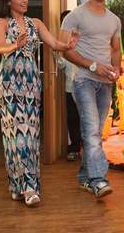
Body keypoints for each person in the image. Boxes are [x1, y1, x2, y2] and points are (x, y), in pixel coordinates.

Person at [0, 0, 78, 206]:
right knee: (13, 136)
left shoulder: (36, 23)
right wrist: (15, 44)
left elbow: (54, 44)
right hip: (10, 83)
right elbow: (0, 48)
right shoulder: (1, 23)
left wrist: (68, 45)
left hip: (31, 84)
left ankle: (30, 187)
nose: (24, 0)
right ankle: (17, 185)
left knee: (30, 136)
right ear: (8, 0)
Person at [60, 0, 122, 199]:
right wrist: (93, 65)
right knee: (91, 132)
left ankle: (85, 177)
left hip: (105, 83)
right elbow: (65, 51)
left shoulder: (114, 20)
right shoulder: (74, 16)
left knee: (94, 131)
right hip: (84, 80)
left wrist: (116, 68)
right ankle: (98, 180)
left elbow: (115, 49)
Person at [55, 10, 82, 161]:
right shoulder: (62, 43)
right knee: (72, 119)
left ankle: (89, 150)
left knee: (86, 119)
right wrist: (57, 53)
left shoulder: (84, 39)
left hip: (85, 86)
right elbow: (61, 66)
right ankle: (75, 148)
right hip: (70, 87)